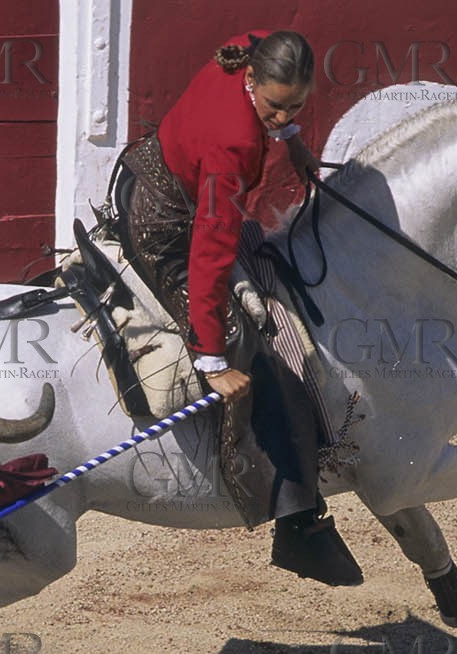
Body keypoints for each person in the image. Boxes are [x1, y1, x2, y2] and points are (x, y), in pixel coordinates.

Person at [112, 29, 362, 587]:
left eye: (296, 106)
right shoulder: (234, 145)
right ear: (250, 80)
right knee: (254, 347)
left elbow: (252, 36)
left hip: (148, 169)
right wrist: (211, 358)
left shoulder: (244, 53)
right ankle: (296, 518)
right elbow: (209, 250)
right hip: (165, 230)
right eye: (275, 107)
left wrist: (292, 137)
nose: (282, 117)